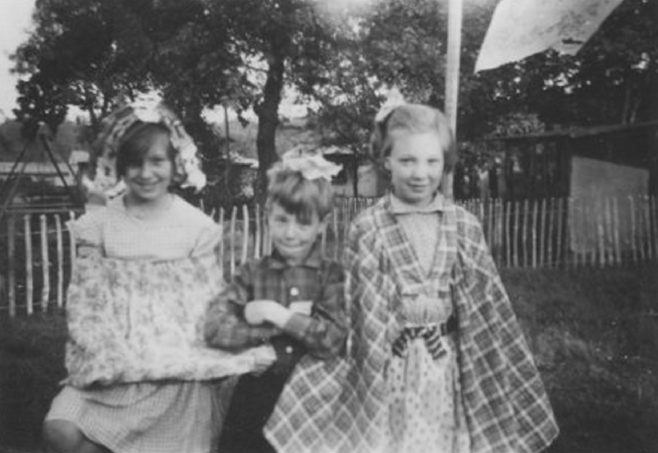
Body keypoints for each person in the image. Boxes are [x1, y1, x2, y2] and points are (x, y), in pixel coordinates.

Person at [264, 103, 559, 453]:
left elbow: (487, 310)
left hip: (447, 365)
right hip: (389, 365)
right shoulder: (368, 228)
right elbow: (361, 313)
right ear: (386, 161)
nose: (420, 173)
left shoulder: (464, 226)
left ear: (445, 162)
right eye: (407, 161)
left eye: (431, 161)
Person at [42, 100, 272, 453]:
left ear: (175, 164)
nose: (146, 173)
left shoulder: (194, 227)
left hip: (174, 371)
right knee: (60, 432)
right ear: (120, 165)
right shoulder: (99, 224)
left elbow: (208, 305)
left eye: (157, 161)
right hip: (115, 364)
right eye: (134, 162)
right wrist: (104, 352)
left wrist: (240, 342)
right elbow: (86, 303)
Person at [204, 148, 348, 453]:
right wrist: (255, 343)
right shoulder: (251, 274)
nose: (290, 233)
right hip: (257, 398)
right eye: (281, 220)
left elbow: (332, 340)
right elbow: (215, 326)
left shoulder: (331, 276)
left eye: (303, 223)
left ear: (322, 225)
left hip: (313, 401)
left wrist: (276, 315)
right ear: (268, 216)